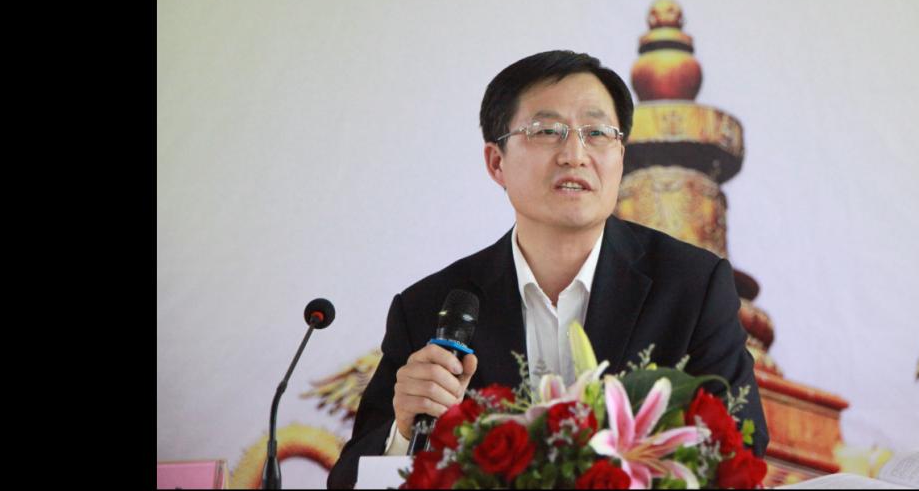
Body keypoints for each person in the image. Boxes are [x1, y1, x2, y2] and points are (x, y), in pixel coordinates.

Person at [327, 50, 768, 489]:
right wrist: (404, 433)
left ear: (621, 156)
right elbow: (346, 481)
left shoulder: (693, 287)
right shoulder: (430, 308)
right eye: (546, 131)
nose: (574, 154)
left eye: (597, 133)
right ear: (496, 162)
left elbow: (742, 449)